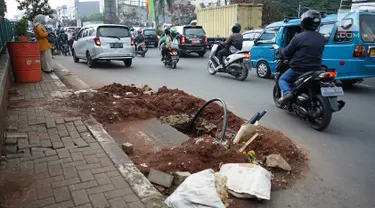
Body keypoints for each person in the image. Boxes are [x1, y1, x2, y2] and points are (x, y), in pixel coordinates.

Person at [277, 10, 325, 105]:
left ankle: (287, 94)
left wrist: (280, 51)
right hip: (316, 68)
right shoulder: (322, 37)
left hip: (299, 69)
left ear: (303, 22)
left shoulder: (298, 37)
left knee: (282, 79)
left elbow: (287, 52)